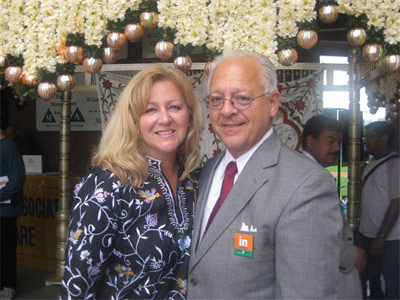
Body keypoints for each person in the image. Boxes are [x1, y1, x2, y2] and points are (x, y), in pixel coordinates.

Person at [187, 50, 342, 299]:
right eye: (216, 99)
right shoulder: (208, 172)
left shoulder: (306, 185)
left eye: (242, 98)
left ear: (272, 103)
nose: (226, 110)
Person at [60, 64, 203, 299]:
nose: (165, 118)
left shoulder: (196, 180)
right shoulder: (106, 185)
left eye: (174, 107)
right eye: (150, 110)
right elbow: (77, 285)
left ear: (189, 115)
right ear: (133, 120)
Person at [301, 114, 364, 299]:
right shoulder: (313, 177)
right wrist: (352, 256)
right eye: (330, 141)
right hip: (324, 275)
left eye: (339, 142)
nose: (337, 148)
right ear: (311, 141)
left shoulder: (306, 170)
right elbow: (319, 235)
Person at [355, 121, 399, 299]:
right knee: (365, 280)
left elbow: (396, 203)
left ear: (385, 138)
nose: (365, 141)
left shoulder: (395, 165)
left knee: (393, 286)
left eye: (370, 136)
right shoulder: (372, 163)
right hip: (366, 234)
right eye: (365, 136)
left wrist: (381, 237)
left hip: (390, 239)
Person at [0, 116, 26, 300]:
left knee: (4, 248)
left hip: (5, 210)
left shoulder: (8, 146)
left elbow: (17, 179)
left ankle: (8, 285)